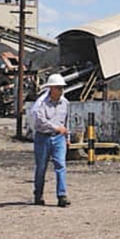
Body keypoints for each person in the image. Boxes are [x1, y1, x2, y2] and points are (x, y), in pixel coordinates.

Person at [31, 73, 71, 207]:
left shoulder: (65, 103)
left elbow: (66, 122)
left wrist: (66, 137)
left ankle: (62, 195)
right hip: (43, 137)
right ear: (51, 88)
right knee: (41, 167)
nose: (61, 91)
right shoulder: (41, 103)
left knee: (61, 165)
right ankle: (38, 194)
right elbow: (40, 121)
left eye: (62, 88)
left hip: (59, 138)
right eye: (58, 88)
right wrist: (56, 128)